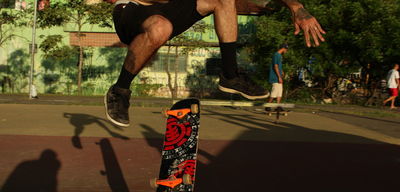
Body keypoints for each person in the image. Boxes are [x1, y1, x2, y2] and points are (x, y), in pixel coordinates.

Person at [103, 0, 325, 127]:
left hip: (169, 9)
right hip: (132, 8)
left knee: (223, 0)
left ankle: (230, 74)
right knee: (160, 28)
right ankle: (120, 90)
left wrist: (295, 7)